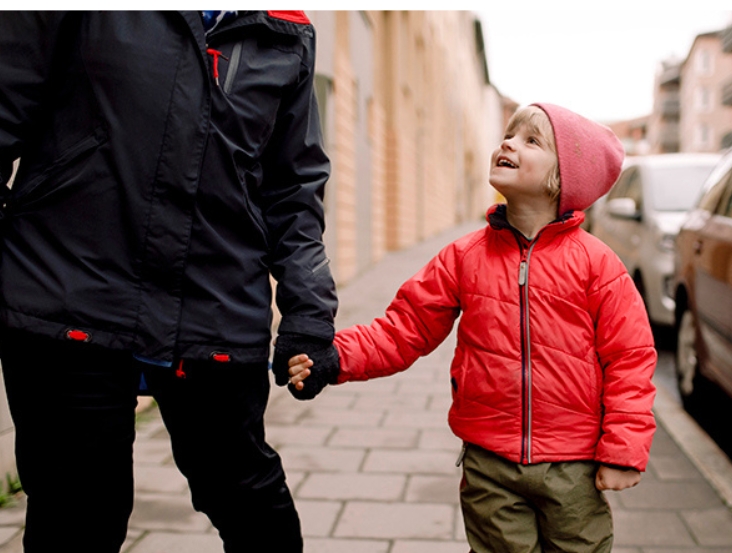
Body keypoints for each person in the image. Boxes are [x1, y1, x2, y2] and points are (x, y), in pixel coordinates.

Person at [0, 11, 339, 553]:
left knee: (256, 510)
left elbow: (293, 193)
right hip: (68, 296)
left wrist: (308, 315)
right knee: (77, 516)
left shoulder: (285, 31)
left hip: (216, 306)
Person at [289, 103, 658, 553]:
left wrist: (623, 448)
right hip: (490, 462)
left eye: (531, 140)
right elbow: (405, 327)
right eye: (509, 134)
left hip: (574, 464)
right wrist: (337, 357)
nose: (508, 143)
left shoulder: (597, 265)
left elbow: (630, 359)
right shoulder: (464, 257)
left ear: (563, 178)